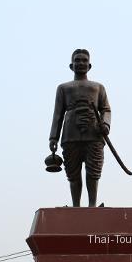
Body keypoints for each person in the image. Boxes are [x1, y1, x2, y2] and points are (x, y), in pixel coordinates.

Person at [48, 49, 111, 207]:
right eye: (77, 60)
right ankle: (76, 205)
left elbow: (106, 109)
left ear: (89, 66)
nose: (81, 63)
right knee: (73, 172)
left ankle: (92, 205)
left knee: (93, 171)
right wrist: (53, 137)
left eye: (84, 60)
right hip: (71, 133)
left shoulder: (98, 87)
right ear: (71, 65)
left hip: (94, 132)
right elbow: (58, 114)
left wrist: (105, 124)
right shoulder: (63, 88)